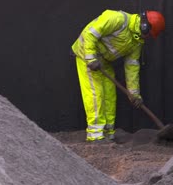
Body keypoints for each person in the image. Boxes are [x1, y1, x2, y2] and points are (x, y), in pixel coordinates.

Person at [71, 9, 165, 142]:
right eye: (149, 34)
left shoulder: (136, 42)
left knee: (110, 95)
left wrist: (134, 95)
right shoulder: (117, 19)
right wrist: (91, 58)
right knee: (95, 94)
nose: (148, 38)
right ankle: (95, 135)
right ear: (144, 27)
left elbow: (132, 68)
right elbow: (90, 34)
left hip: (103, 61)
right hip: (86, 54)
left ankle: (108, 134)